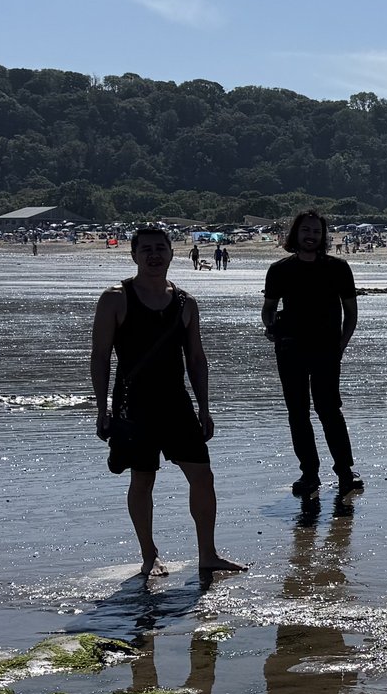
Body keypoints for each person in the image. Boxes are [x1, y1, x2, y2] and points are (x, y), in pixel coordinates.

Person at [88, 224, 245, 581]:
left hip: (177, 404)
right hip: (134, 406)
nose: (154, 255)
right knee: (142, 480)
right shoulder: (116, 298)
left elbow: (196, 359)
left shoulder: (185, 302)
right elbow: (99, 357)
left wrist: (204, 407)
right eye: (147, 250)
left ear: (173, 254)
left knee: (202, 477)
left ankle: (208, 554)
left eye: (161, 248)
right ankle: (149, 557)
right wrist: (102, 408)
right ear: (134, 255)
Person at [260, 208, 361, 498]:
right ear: (296, 233)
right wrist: (271, 327)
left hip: (327, 349)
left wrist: (341, 345)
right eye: (306, 230)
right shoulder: (279, 270)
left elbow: (350, 314)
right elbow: (268, 309)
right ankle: (309, 473)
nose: (311, 236)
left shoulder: (338, 268)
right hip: (290, 348)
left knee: (329, 410)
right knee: (297, 413)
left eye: (316, 231)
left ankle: (345, 470)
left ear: (323, 236)